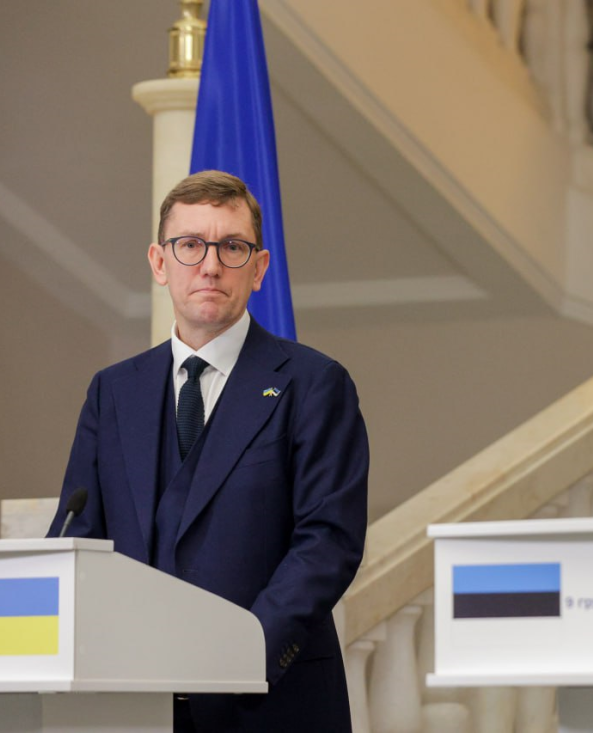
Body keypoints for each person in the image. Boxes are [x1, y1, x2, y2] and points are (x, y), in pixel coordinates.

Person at [48, 170, 368, 732]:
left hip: (269, 704)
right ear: (159, 262)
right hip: (130, 705)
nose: (211, 265)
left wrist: (241, 653)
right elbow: (78, 539)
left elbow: (328, 543)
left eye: (232, 247)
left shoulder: (314, 383)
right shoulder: (112, 392)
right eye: (191, 245)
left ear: (259, 268)